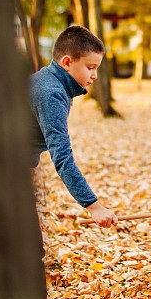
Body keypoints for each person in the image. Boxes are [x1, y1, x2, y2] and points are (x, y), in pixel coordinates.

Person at [30, 25, 118, 227]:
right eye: (90, 67)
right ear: (67, 62)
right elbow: (62, 157)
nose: (95, 75)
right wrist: (93, 206)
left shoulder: (49, 82)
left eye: (97, 68)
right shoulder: (51, 93)